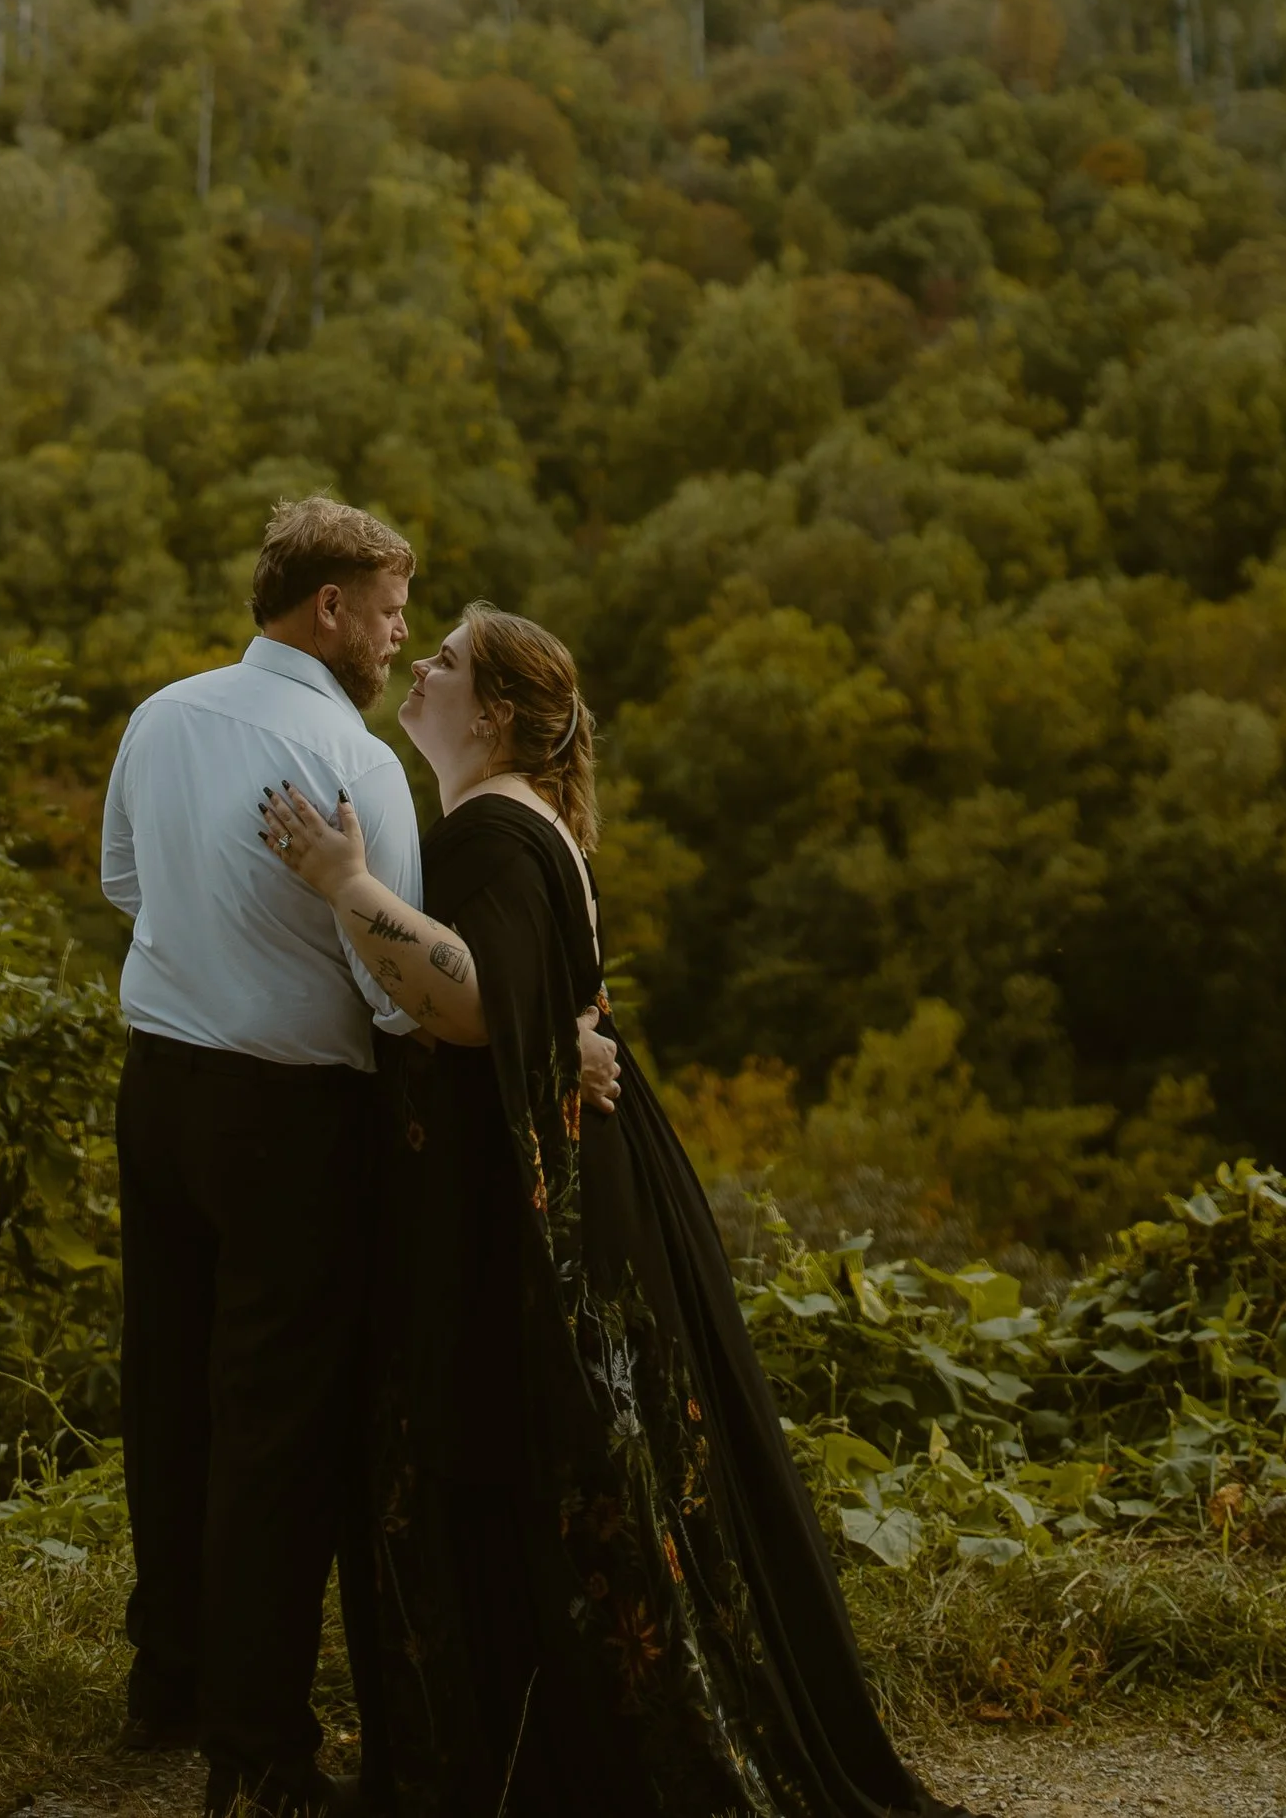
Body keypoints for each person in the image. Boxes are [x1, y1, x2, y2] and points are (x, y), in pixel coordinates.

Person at [261, 602, 970, 1818]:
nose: (419, 663)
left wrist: (343, 882)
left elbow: (477, 1003)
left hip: (535, 1215)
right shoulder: (506, 818)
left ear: (489, 714)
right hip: (566, 1179)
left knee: (537, 1461)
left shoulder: (490, 828)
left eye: (445, 661)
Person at [99, 493, 422, 1818]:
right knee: (277, 1426)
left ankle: (166, 1679)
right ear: (328, 607)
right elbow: (401, 987)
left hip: (159, 1090)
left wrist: (211, 944)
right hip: (292, 1113)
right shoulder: (357, 759)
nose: (403, 635)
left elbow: (124, 882)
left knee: (168, 1391)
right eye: (393, 609)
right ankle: (259, 1744)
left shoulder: (162, 714)